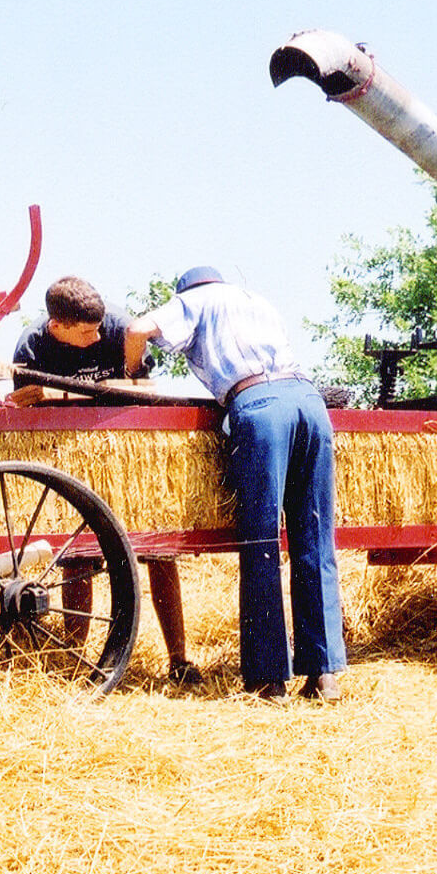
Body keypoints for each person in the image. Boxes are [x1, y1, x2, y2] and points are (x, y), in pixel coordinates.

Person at [125, 266, 347, 701]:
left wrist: (133, 368)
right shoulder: (256, 299)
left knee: (261, 543)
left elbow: (137, 329)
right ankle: (324, 676)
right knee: (315, 540)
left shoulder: (198, 299)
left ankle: (268, 679)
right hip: (309, 402)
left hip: (260, 407)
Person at [8, 276, 147, 406]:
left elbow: (144, 389)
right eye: (86, 332)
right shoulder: (31, 347)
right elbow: (24, 404)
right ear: (57, 326)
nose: (97, 337)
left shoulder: (123, 330)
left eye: (98, 328)